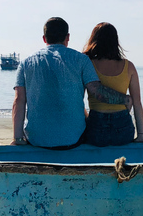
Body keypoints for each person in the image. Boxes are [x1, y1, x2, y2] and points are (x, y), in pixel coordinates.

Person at [12, 17, 131, 149]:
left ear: (44, 39)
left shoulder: (25, 63)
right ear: (67, 37)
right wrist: (124, 99)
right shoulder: (81, 60)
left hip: (37, 139)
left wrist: (17, 138)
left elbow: (19, 101)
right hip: (73, 139)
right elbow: (97, 92)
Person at [82, 22, 143, 146]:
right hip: (123, 128)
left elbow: (78, 100)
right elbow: (137, 103)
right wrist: (141, 135)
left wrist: (88, 119)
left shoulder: (88, 64)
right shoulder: (129, 66)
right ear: (115, 41)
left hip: (96, 127)